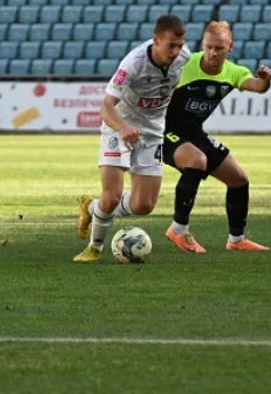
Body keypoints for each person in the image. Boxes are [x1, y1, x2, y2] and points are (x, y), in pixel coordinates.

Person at [73, 14, 190, 262]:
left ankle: (93, 207)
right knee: (113, 194)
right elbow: (105, 107)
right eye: (171, 45)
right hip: (119, 125)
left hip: (152, 131)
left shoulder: (184, 57)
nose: (176, 51)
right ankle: (94, 248)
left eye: (180, 45)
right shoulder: (133, 64)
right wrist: (124, 127)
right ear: (156, 40)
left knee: (144, 205)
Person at [161, 21, 271, 253]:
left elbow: (257, 86)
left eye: (219, 48)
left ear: (230, 47)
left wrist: (265, 80)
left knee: (238, 179)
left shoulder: (233, 72)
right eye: (209, 47)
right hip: (163, 131)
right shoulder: (184, 65)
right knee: (196, 161)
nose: (213, 53)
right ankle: (178, 229)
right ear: (203, 45)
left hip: (194, 133)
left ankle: (237, 240)